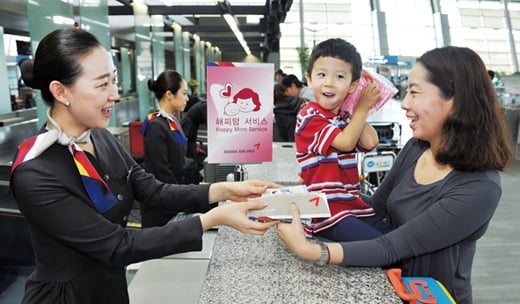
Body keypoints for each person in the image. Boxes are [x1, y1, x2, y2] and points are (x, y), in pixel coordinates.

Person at [9, 27, 281, 304]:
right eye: (103, 85)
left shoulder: (101, 138)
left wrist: (224, 190)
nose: (114, 94)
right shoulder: (35, 172)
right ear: (60, 91)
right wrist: (211, 219)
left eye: (113, 81)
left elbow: (154, 190)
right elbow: (117, 245)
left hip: (110, 287)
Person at [277, 45, 513, 304]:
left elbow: (391, 247)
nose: (404, 104)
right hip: (388, 286)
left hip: (428, 298)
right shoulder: (415, 149)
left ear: (454, 100)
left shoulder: (479, 187)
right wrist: (325, 190)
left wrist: (309, 250)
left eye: (414, 92)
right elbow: (377, 207)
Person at [293, 38, 387, 242]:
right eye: (321, 74)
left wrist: (355, 108)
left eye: (339, 77)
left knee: (393, 238)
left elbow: (371, 142)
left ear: (353, 86)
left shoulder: (344, 118)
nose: (328, 82)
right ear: (309, 80)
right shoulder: (309, 115)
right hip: (326, 213)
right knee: (382, 246)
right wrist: (362, 108)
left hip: (350, 206)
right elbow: (345, 143)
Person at [140, 70, 196, 227]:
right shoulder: (156, 126)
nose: (187, 98)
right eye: (184, 93)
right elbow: (161, 171)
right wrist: (183, 198)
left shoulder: (172, 121)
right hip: (162, 207)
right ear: (169, 94)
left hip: (173, 197)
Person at [181, 98, 208, 181]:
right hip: (188, 128)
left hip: (191, 127)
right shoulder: (206, 106)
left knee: (191, 150)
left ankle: (194, 174)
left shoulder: (205, 104)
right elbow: (210, 124)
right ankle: (192, 177)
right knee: (190, 152)